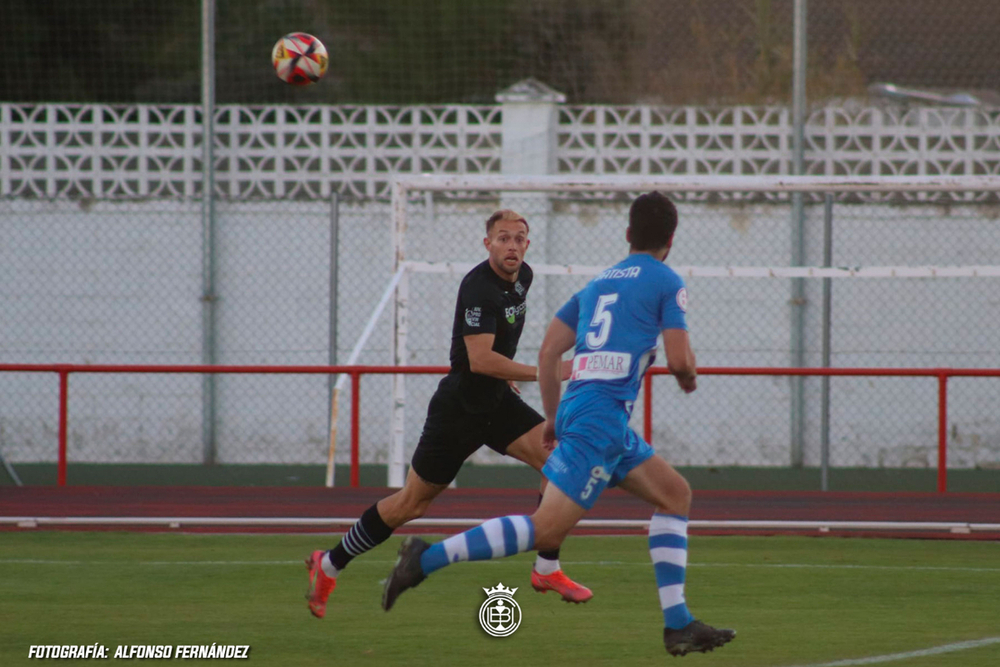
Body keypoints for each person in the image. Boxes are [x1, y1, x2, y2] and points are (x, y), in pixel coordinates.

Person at [381, 192, 735, 657]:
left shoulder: (598, 284)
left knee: (675, 495)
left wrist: (553, 417)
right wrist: (688, 374)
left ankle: (679, 623)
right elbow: (678, 357)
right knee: (545, 531)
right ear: (671, 239)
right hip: (601, 420)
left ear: (628, 234)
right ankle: (424, 559)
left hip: (587, 412)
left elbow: (550, 352)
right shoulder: (667, 281)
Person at [305, 209, 592, 619]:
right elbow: (477, 359)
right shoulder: (478, 287)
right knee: (411, 505)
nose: (512, 245)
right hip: (459, 408)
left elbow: (495, 352)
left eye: (519, 238)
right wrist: (541, 371)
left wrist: (505, 372)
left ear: (528, 244)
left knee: (558, 462)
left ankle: (546, 568)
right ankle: (328, 564)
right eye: (503, 238)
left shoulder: (523, 277)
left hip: (496, 401)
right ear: (487, 243)